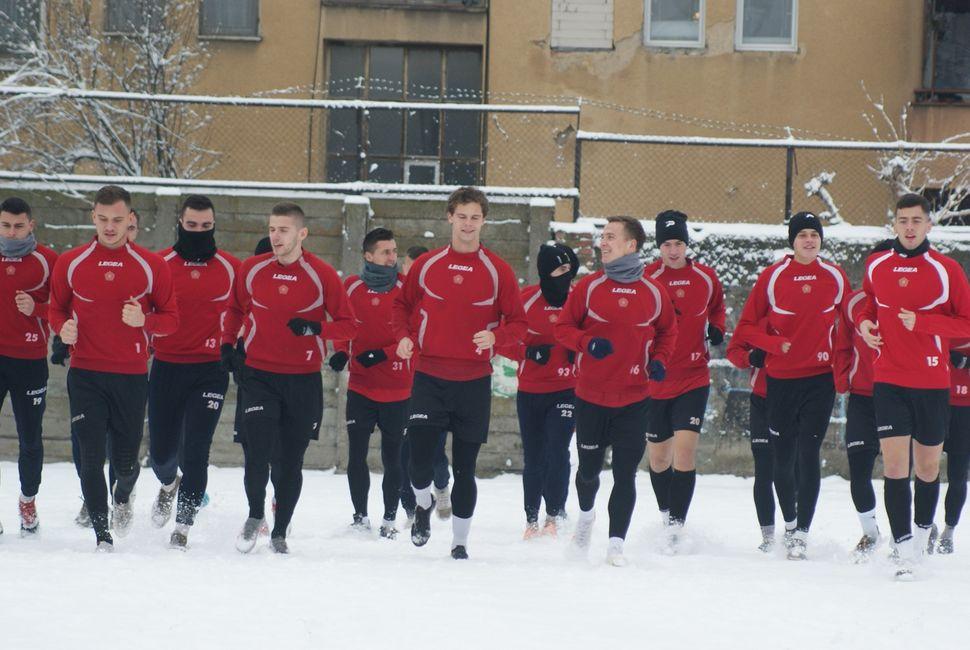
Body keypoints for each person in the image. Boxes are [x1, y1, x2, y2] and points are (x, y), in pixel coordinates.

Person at [391, 186, 527, 559]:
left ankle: (460, 543)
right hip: (430, 376)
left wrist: (495, 336)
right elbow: (400, 307)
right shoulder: (427, 264)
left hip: (472, 381)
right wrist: (403, 337)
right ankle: (422, 504)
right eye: (462, 216)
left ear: (484, 221)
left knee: (466, 468)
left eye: (475, 217)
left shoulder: (497, 270)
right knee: (417, 462)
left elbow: (518, 324)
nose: (468, 224)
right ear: (449, 217)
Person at [221, 202, 356, 554]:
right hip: (259, 375)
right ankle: (254, 516)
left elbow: (347, 323)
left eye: (283, 229)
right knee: (257, 452)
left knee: (289, 461)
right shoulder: (252, 269)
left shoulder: (322, 274)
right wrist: (226, 345)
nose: (276, 236)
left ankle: (279, 531)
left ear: (301, 233)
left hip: (302, 379)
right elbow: (235, 308)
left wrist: (319, 330)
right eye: (271, 229)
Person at [49, 185, 179, 550]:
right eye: (103, 219)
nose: (109, 226)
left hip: (131, 376)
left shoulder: (151, 266)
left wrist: (145, 320)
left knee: (125, 464)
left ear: (130, 220)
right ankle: (102, 536)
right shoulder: (71, 262)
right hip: (86, 373)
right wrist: (63, 327)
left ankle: (123, 496)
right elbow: (55, 309)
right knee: (90, 458)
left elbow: (172, 320)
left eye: (117, 220)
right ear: (93, 217)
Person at [858, 193, 970, 579]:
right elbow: (867, 305)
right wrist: (865, 324)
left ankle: (922, 535)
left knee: (926, 467)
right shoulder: (876, 265)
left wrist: (922, 322)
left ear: (928, 225)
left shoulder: (947, 269)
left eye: (916, 221)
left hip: (932, 381)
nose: (909, 227)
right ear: (894, 224)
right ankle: (903, 548)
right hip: (888, 378)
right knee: (893, 466)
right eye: (902, 220)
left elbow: (966, 324)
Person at [555, 216, 677, 566]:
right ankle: (587, 518)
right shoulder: (589, 287)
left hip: (634, 398)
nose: (602, 243)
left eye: (610, 237)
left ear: (631, 245)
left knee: (626, 472)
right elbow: (563, 328)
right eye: (602, 237)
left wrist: (660, 360)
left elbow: (668, 331)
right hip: (591, 396)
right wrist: (587, 342)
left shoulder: (654, 292)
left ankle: (616, 544)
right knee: (589, 471)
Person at [735, 211, 848, 560]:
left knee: (809, 454)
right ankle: (788, 523)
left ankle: (801, 534)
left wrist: (845, 371)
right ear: (793, 241)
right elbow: (746, 329)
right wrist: (772, 346)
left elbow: (853, 322)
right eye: (802, 235)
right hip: (781, 380)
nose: (809, 240)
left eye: (814, 235)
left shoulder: (835, 276)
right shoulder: (772, 277)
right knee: (781, 459)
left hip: (819, 378)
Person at [147, 195, 240, 549]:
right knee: (161, 454)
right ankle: (168, 486)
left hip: (210, 369)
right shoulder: (159, 265)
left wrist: (239, 349)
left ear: (214, 225)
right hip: (168, 366)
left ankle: (182, 527)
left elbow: (247, 312)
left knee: (196, 450)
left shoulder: (232, 268)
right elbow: (141, 311)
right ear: (179, 224)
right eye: (192, 225)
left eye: (206, 226)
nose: (199, 232)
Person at [644, 211, 725, 548]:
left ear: (686, 245)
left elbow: (717, 307)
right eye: (667, 244)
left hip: (693, 377)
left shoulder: (705, 277)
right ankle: (667, 518)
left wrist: (717, 328)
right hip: (654, 381)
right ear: (659, 246)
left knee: (685, 454)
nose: (673, 250)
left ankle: (676, 528)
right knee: (659, 459)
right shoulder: (647, 277)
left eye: (678, 243)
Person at [330, 227, 411, 538]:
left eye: (394, 251)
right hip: (361, 388)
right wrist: (340, 352)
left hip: (398, 389)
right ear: (368, 255)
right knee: (356, 455)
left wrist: (384, 354)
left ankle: (389, 520)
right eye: (386, 252)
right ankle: (360, 516)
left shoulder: (406, 289)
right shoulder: (351, 287)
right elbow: (342, 325)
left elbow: (415, 333)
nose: (393, 257)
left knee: (393, 458)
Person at [497, 243, 579, 539]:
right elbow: (502, 339)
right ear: (545, 273)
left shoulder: (578, 299)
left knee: (558, 450)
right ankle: (531, 519)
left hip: (567, 389)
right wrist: (528, 353)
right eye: (559, 270)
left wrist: (578, 351)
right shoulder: (527, 300)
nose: (565, 277)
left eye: (568, 270)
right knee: (534, 456)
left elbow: (596, 334)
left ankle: (553, 516)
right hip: (531, 391)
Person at [0, 197, 58, 536]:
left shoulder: (49, 261)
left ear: (31, 225)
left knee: (30, 439)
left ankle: (28, 499)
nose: (12, 232)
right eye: (6, 225)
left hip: (29, 362)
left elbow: (66, 310)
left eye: (19, 225)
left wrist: (37, 308)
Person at [833, 240, 891, 562]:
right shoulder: (854, 301)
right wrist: (843, 379)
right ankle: (870, 532)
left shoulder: (907, 302)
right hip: (862, 397)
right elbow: (841, 343)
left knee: (900, 471)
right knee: (859, 468)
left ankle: (907, 532)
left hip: (898, 396)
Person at [726, 319, 797, 552]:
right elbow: (734, 350)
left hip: (793, 398)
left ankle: (793, 530)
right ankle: (767, 536)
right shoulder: (756, 319)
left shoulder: (803, 315)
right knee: (763, 468)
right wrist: (750, 358)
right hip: (762, 400)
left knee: (788, 468)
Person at [398, 244, 453, 525]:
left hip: (434, 384)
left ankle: (442, 487)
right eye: (409, 265)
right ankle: (415, 506)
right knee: (407, 450)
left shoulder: (437, 297)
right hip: (402, 387)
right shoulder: (401, 300)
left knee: (434, 449)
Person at [941, 341, 970, 553]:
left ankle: (949, 531)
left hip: (964, 407)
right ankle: (923, 524)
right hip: (933, 399)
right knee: (921, 469)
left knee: (957, 474)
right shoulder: (937, 310)